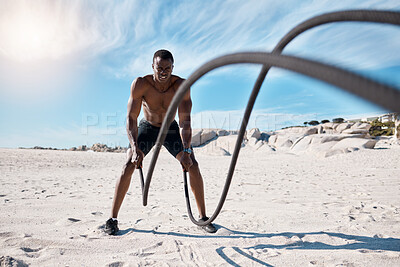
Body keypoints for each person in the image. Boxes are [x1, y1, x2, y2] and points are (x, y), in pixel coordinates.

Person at [105, 49, 217, 235]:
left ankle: (203, 218)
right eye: (159, 68)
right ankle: (113, 219)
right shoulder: (141, 84)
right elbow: (131, 118)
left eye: (168, 68)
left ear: (173, 67)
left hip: (171, 129)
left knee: (193, 165)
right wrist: (134, 148)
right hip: (147, 127)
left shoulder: (181, 86)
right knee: (128, 164)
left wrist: (187, 150)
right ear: (152, 66)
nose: (163, 72)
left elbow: (185, 122)